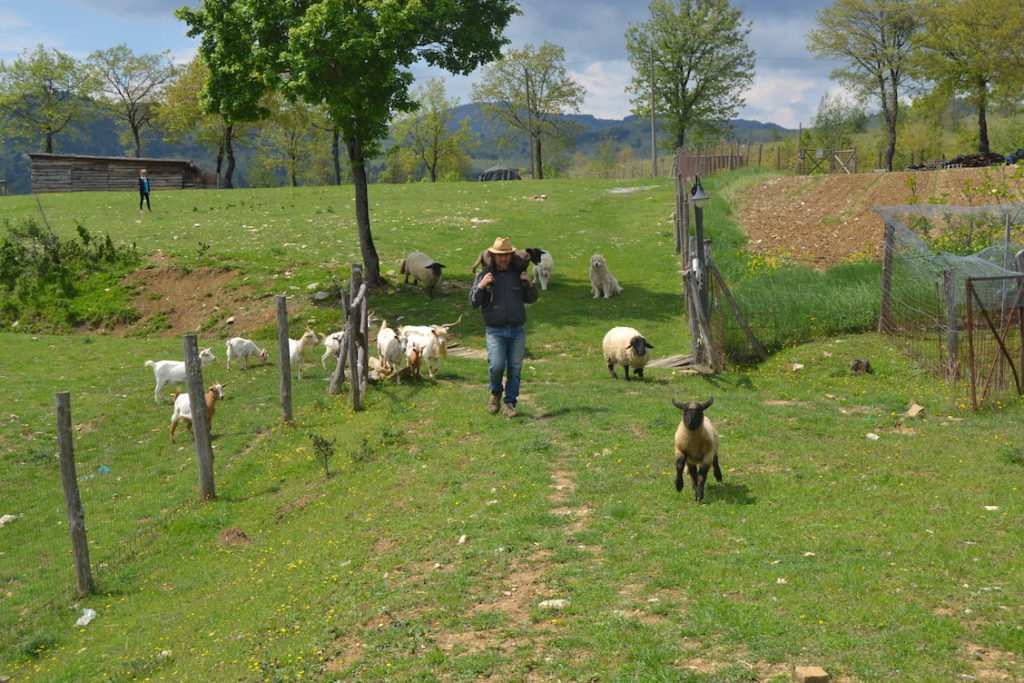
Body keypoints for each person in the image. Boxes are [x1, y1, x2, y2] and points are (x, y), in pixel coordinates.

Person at [469, 236, 539, 418]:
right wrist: (481, 287)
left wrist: (529, 284)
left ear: (511, 255)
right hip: (495, 330)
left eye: (507, 255)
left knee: (515, 368)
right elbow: (473, 302)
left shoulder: (518, 274)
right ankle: (495, 393)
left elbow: (531, 298)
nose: (503, 259)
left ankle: (509, 403)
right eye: (500, 256)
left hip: (518, 329)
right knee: (497, 366)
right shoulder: (485, 275)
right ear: (492, 256)